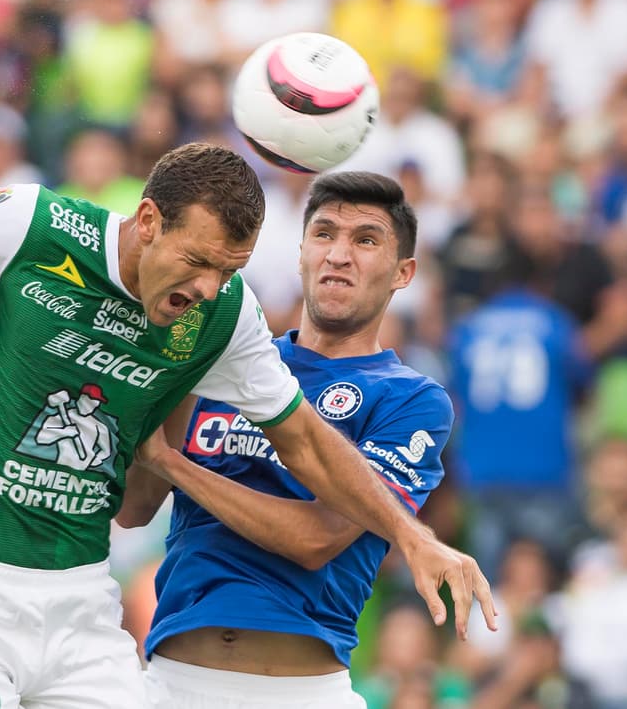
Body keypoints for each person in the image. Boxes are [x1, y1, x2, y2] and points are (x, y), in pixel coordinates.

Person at [0, 147, 495, 708]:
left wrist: (412, 536)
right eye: (201, 261)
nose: (210, 286)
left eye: (230, 269)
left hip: (85, 608)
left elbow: (301, 451)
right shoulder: (30, 223)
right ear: (148, 221)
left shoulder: (223, 321)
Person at [117, 171, 454, 709]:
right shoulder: (228, 357)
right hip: (170, 683)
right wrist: (181, 367)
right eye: (324, 234)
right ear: (300, 253)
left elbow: (316, 538)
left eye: (365, 240)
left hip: (302, 693)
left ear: (403, 273)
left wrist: (175, 466)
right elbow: (134, 509)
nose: (339, 255)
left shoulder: (413, 400)